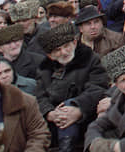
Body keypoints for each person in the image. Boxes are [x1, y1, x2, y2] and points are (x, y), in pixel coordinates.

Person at [34, 23, 108, 152]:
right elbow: (40, 96)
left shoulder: (90, 59)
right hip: (55, 121)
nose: (64, 52)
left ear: (74, 43)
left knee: (68, 105)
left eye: (66, 46)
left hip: (87, 117)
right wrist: (50, 113)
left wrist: (78, 109)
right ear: (50, 55)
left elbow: (98, 88)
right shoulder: (44, 69)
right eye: (57, 50)